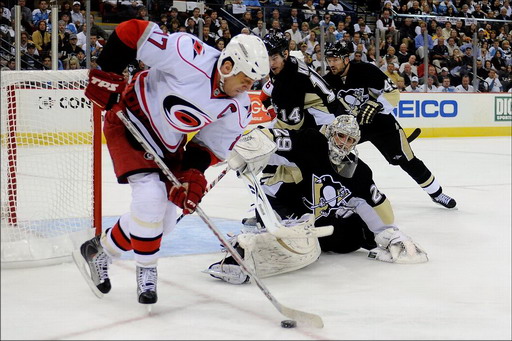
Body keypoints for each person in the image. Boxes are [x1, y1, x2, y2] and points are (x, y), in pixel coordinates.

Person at [73, 19, 269, 305]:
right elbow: (132, 31)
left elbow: (208, 145)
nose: (246, 88)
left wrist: (192, 173)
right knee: (150, 198)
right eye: (245, 80)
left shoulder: (238, 106)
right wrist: (108, 73)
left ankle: (98, 250)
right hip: (130, 121)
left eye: (251, 84)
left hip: (168, 145)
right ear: (227, 66)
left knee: (163, 221)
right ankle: (147, 272)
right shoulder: (188, 54)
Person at [205, 116, 428, 284]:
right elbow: (276, 140)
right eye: (340, 135)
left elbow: (366, 202)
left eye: (350, 140)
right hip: (284, 203)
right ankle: (241, 256)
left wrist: (389, 233)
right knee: (296, 244)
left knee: (353, 238)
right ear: (331, 133)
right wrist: (253, 146)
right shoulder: (312, 143)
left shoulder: (359, 171)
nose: (343, 144)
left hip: (314, 216)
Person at [322, 41, 457, 209]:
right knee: (333, 156)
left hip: (381, 124)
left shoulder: (367, 70)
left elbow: (392, 92)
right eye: (329, 60)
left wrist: (377, 105)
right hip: (352, 129)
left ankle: (436, 193)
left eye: (335, 60)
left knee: (407, 159)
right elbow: (323, 109)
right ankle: (338, 195)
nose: (331, 64)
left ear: (346, 59)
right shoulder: (327, 81)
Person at [260, 33, 339, 131]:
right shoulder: (283, 66)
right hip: (312, 109)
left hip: (323, 115)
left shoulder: (294, 77)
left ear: (285, 54)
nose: (271, 63)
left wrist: (267, 132)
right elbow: (264, 96)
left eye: (274, 58)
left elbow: (292, 124)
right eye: (268, 58)